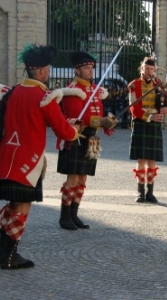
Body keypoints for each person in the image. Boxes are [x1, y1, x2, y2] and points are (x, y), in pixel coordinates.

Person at [0, 43, 80, 269]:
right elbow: (64, 131)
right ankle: (8, 257)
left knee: (13, 205)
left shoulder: (13, 91)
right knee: (22, 207)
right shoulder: (44, 97)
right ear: (43, 71)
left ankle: (2, 252)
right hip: (29, 161)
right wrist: (75, 129)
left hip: (6, 156)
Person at [57, 51, 116, 230]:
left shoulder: (95, 90)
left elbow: (97, 113)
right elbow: (76, 117)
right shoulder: (73, 91)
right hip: (77, 137)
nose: (90, 71)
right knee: (73, 178)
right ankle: (64, 216)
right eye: (86, 67)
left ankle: (74, 215)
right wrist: (101, 121)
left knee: (83, 179)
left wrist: (108, 122)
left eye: (91, 67)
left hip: (92, 139)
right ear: (77, 70)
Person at [128, 56, 167, 203]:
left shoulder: (159, 85)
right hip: (141, 123)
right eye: (147, 68)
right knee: (142, 159)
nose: (149, 71)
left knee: (152, 160)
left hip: (154, 125)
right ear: (142, 69)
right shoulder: (134, 85)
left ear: (154, 70)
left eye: (152, 69)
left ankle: (150, 192)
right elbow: (134, 108)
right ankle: (140, 192)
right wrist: (150, 117)